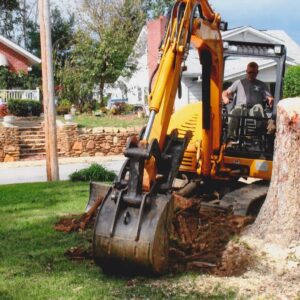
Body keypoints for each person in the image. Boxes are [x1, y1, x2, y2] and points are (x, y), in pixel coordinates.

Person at [222, 62, 274, 143]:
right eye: (250, 72)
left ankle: (259, 136)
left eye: (254, 72)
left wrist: (270, 99)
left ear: (257, 73)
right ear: (246, 71)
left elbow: (269, 96)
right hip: (241, 107)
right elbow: (225, 92)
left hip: (254, 108)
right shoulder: (239, 83)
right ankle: (231, 138)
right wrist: (225, 97)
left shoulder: (261, 85)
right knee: (234, 112)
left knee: (258, 108)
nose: (252, 74)